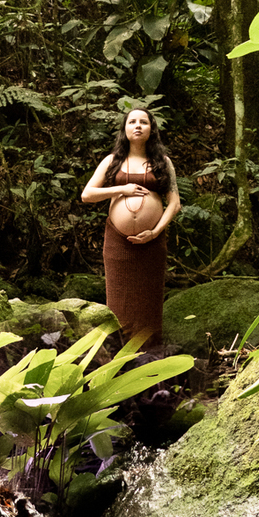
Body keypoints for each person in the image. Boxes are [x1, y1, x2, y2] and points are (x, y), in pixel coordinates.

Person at [81, 105, 180, 351]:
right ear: (124, 129)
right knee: (118, 300)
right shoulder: (112, 161)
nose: (137, 126)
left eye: (143, 122)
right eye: (132, 121)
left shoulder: (162, 162)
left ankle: (150, 357)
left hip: (152, 243)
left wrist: (155, 232)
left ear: (151, 129)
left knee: (149, 300)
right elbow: (87, 194)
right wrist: (121, 189)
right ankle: (119, 358)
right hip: (117, 241)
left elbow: (175, 203)